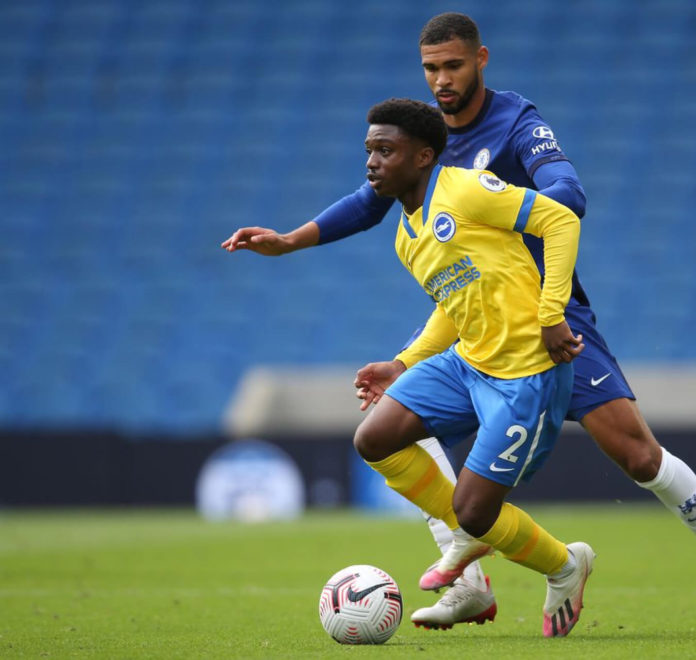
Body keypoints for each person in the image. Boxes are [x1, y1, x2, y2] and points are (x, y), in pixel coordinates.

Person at [221, 12, 696, 634]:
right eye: (431, 69)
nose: (442, 80)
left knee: (638, 456)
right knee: (395, 420)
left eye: (453, 66)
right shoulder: (421, 139)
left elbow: (566, 194)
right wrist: (290, 240)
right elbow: (369, 202)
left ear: (481, 60)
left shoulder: (516, 122)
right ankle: (469, 576)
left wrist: (518, 208)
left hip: (551, 316)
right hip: (480, 316)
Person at [231, 97, 595, 638]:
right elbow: (454, 305)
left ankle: (565, 566)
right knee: (375, 438)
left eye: (385, 150)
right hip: (469, 362)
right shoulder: (407, 235)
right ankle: (467, 545)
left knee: (476, 511)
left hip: (527, 371)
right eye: (369, 151)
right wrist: (403, 362)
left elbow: (560, 219)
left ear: (423, 156)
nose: (371, 162)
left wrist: (550, 314)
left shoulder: (466, 189)